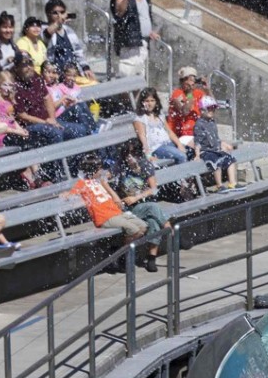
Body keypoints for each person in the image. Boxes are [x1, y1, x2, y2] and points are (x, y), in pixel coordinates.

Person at [67, 153, 168, 273]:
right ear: (94, 170)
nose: (102, 170)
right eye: (100, 168)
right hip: (104, 217)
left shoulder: (99, 182)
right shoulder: (81, 184)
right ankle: (122, 257)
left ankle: (118, 251)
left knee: (143, 226)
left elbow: (118, 202)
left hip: (117, 213)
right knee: (135, 230)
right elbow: (70, 196)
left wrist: (106, 185)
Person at [108, 141, 171, 272]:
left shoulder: (145, 165)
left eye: (132, 154)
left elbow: (153, 189)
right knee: (153, 207)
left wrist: (136, 197)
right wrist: (114, 195)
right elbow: (102, 179)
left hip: (142, 204)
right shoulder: (120, 166)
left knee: (153, 223)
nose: (129, 158)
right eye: (127, 155)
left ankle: (150, 258)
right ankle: (171, 231)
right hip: (128, 209)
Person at [110, 0, 159, 78]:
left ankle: (136, 93)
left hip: (142, 43)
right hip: (129, 43)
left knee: (140, 76)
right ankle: (124, 93)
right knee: (126, 76)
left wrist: (149, 31)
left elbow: (144, 16)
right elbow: (120, 13)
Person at [193, 96, 244, 193]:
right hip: (206, 151)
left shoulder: (212, 122)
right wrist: (197, 154)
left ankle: (232, 183)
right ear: (202, 110)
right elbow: (197, 141)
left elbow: (215, 138)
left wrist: (222, 144)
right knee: (216, 162)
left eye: (213, 108)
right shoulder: (199, 124)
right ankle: (219, 185)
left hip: (215, 149)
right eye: (209, 109)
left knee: (230, 159)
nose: (211, 111)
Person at [42, 0, 95, 82]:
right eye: (55, 13)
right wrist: (58, 22)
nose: (59, 16)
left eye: (62, 12)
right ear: (48, 14)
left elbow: (78, 52)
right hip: (55, 76)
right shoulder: (43, 28)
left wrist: (86, 68)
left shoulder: (69, 31)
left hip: (73, 75)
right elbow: (46, 35)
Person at [134, 87, 188, 164]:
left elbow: (169, 132)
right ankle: (185, 175)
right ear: (142, 102)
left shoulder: (159, 115)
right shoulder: (140, 119)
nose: (150, 104)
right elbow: (143, 138)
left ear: (156, 102)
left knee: (189, 151)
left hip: (168, 144)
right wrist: (148, 155)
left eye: (152, 101)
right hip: (157, 148)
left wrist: (179, 144)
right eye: (147, 101)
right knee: (181, 156)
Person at [42, 61, 97, 135]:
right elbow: (52, 107)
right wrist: (64, 97)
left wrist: (68, 102)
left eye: (54, 72)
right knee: (76, 108)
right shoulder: (45, 88)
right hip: (56, 118)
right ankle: (89, 132)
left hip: (64, 113)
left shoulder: (55, 86)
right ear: (42, 73)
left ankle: (94, 128)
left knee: (81, 104)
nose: (51, 75)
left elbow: (62, 104)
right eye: (48, 72)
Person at [167, 66, 207, 145]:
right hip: (179, 136)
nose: (191, 83)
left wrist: (207, 89)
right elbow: (185, 111)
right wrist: (189, 94)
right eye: (188, 80)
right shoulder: (177, 94)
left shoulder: (198, 93)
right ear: (182, 82)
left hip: (195, 133)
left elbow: (212, 107)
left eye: (193, 80)